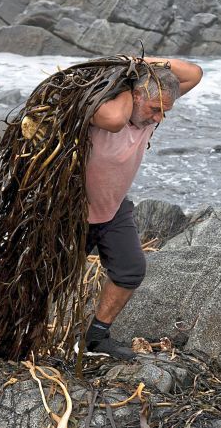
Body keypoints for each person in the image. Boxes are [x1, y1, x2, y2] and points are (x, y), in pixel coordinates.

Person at [83, 57, 203, 359]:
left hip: (113, 209)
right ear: (135, 96)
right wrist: (125, 79)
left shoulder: (146, 113)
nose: (158, 118)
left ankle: (96, 338)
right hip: (71, 213)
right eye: (154, 109)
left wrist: (137, 64)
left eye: (165, 112)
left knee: (130, 271)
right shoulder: (101, 111)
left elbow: (195, 73)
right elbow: (113, 121)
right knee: (48, 279)